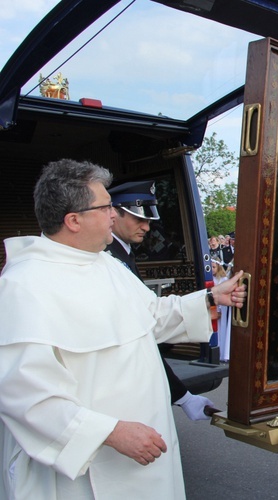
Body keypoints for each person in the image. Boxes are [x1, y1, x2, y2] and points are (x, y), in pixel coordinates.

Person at [0, 159, 246, 499]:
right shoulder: (24, 285)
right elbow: (26, 396)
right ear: (73, 220)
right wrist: (109, 433)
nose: (114, 215)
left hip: (148, 451)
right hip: (89, 472)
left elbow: (151, 318)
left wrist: (210, 298)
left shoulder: (107, 265)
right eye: (104, 208)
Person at [105, 180, 216, 421]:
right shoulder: (109, 258)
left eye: (148, 220)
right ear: (113, 214)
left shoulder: (122, 252)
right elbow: (143, 331)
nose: (146, 227)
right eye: (139, 219)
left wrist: (183, 396)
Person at [211, 259, 232, 363]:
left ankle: (222, 352)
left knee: (221, 330)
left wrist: (219, 310)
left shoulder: (223, 280)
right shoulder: (211, 279)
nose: (211, 269)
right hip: (212, 308)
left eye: (214, 267)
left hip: (221, 309)